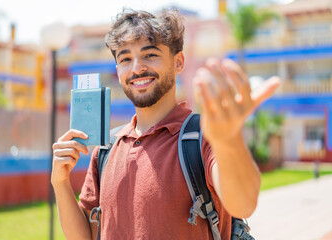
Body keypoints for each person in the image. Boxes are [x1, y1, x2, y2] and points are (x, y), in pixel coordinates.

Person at [51, 9, 281, 240]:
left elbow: (243, 204)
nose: (137, 68)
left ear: (178, 61)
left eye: (150, 55)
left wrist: (230, 142)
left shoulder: (203, 136)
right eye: (125, 59)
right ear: (118, 70)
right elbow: (85, 237)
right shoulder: (107, 149)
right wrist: (60, 182)